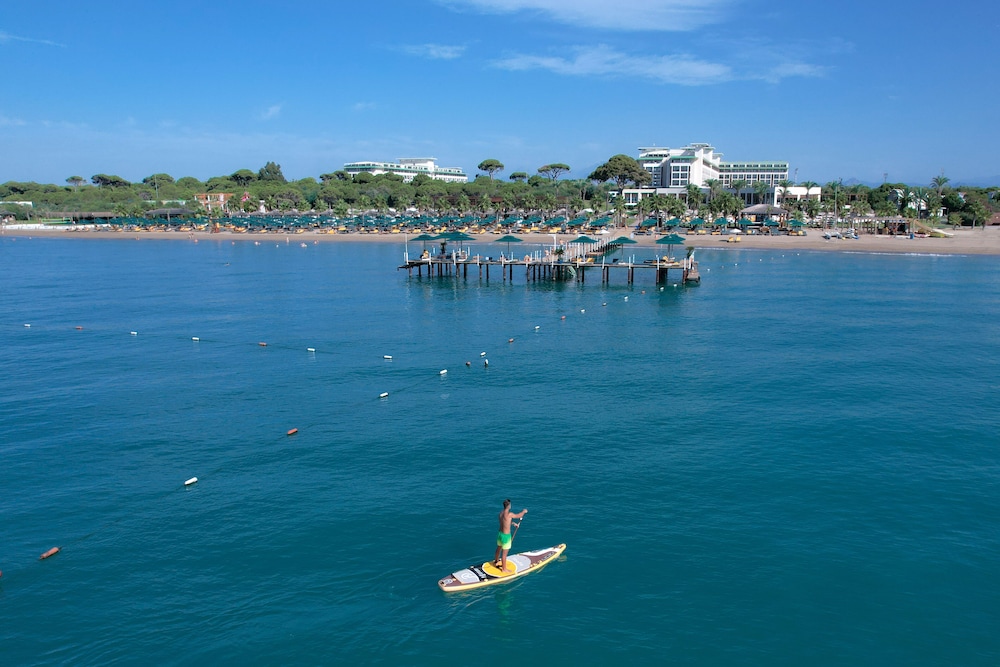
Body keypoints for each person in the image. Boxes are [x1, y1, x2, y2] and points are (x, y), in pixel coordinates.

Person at [493, 499, 527, 572]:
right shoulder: (509, 514)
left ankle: (496, 561)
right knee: (504, 553)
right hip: (506, 537)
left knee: (498, 548)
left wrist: (513, 524)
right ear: (509, 506)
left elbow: (505, 521)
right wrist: (524, 512)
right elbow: (519, 515)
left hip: (500, 534)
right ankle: (504, 569)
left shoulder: (501, 513)